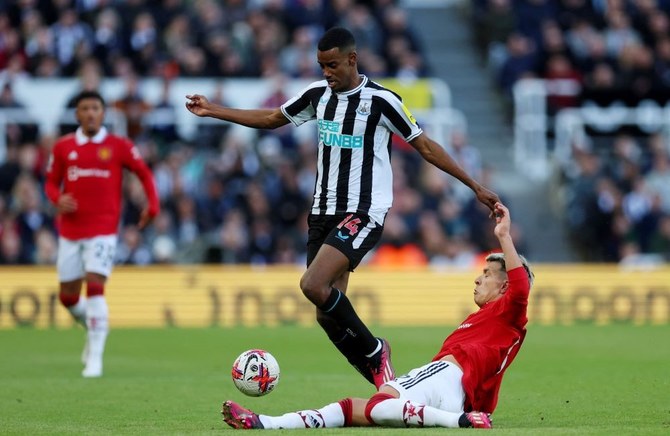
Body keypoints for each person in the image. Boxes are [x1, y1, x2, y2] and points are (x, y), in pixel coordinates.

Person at [185, 27, 500, 389]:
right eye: (321, 65)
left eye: (332, 65)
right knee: (325, 314)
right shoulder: (317, 95)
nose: (326, 72)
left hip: (363, 211)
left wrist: (474, 185)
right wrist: (213, 110)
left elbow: (425, 147)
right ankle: (384, 386)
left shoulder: (382, 101)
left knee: (312, 284)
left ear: (352, 59)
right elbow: (273, 119)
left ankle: (376, 351)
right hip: (322, 211)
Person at [221, 202, 533, 430]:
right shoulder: (492, 321)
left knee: (380, 405)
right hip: (451, 394)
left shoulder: (509, 310)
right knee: (351, 409)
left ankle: (459, 421)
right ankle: (262, 423)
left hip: (446, 382)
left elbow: (521, 287)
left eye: (487, 274)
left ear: (505, 284)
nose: (478, 279)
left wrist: (503, 235)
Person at [44, 90, 160, 377]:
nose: (91, 113)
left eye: (96, 108)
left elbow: (144, 173)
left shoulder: (118, 145)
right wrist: (57, 200)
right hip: (70, 230)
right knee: (68, 298)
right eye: (85, 109)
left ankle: (95, 359)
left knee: (95, 285)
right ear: (77, 115)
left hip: (104, 229)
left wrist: (153, 205)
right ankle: (93, 326)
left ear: (103, 112)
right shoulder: (63, 147)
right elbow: (49, 183)